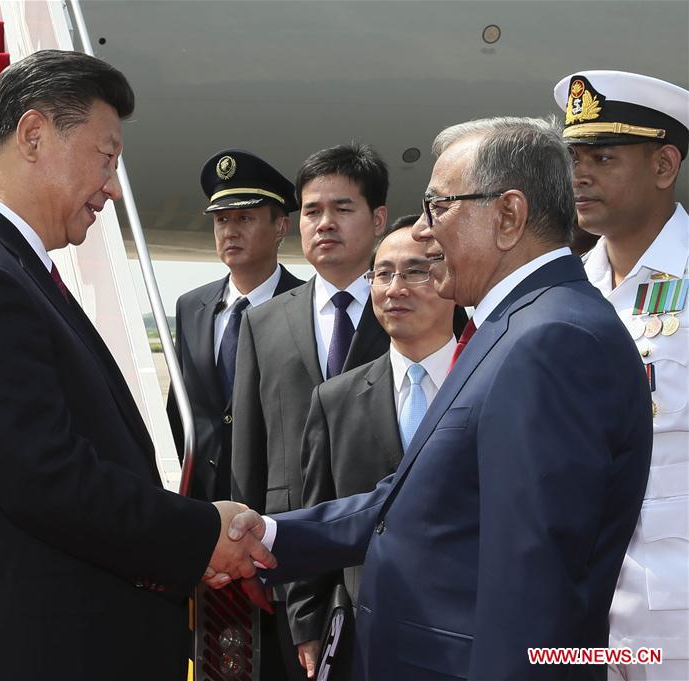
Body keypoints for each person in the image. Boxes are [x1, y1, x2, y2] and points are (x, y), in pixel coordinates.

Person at [219, 116, 653, 680]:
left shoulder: (552, 340)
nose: (423, 231)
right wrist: (271, 533)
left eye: (439, 207)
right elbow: (416, 501)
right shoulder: (511, 326)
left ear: (508, 215)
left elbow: (533, 580)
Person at [0, 49, 272, 681]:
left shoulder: (4, 263)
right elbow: (50, 482)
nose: (112, 186)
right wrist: (200, 530)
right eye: (106, 157)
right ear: (35, 135)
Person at [230, 142, 391, 679]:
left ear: (378, 219)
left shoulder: (420, 311)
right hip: (289, 558)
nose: (325, 223)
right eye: (312, 211)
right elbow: (248, 450)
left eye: (343, 209)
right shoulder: (263, 322)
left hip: (385, 550)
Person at [554, 70, 689, 681]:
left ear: (664, 166)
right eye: (575, 157)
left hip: (676, 615)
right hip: (584, 606)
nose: (580, 174)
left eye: (602, 157)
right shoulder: (566, 288)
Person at [287, 214, 461, 679]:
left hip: (467, 631)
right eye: (382, 274)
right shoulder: (335, 399)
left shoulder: (490, 379)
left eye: (415, 271)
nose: (394, 288)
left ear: (450, 277)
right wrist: (308, 621)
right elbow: (320, 507)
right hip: (371, 634)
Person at [167, 149, 303, 501]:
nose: (230, 232)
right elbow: (179, 410)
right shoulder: (191, 307)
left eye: (244, 219)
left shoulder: (307, 307)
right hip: (201, 502)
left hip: (275, 503)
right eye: (221, 220)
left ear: (281, 226)